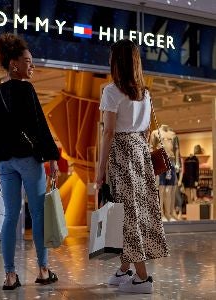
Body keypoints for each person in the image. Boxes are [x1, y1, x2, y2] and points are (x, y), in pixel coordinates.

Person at [0, 33, 60, 290]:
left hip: (5, 163)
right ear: (14, 64)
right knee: (38, 215)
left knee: (9, 216)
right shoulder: (26, 89)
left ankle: (9, 275)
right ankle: (42, 269)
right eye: (28, 61)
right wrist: (52, 156)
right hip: (28, 159)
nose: (32, 66)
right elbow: (39, 126)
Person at [95, 39, 169, 294]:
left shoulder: (111, 91)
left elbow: (108, 133)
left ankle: (142, 277)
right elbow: (147, 132)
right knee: (137, 211)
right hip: (141, 154)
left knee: (126, 215)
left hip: (122, 155)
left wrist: (100, 170)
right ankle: (124, 269)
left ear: (117, 62)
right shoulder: (145, 93)